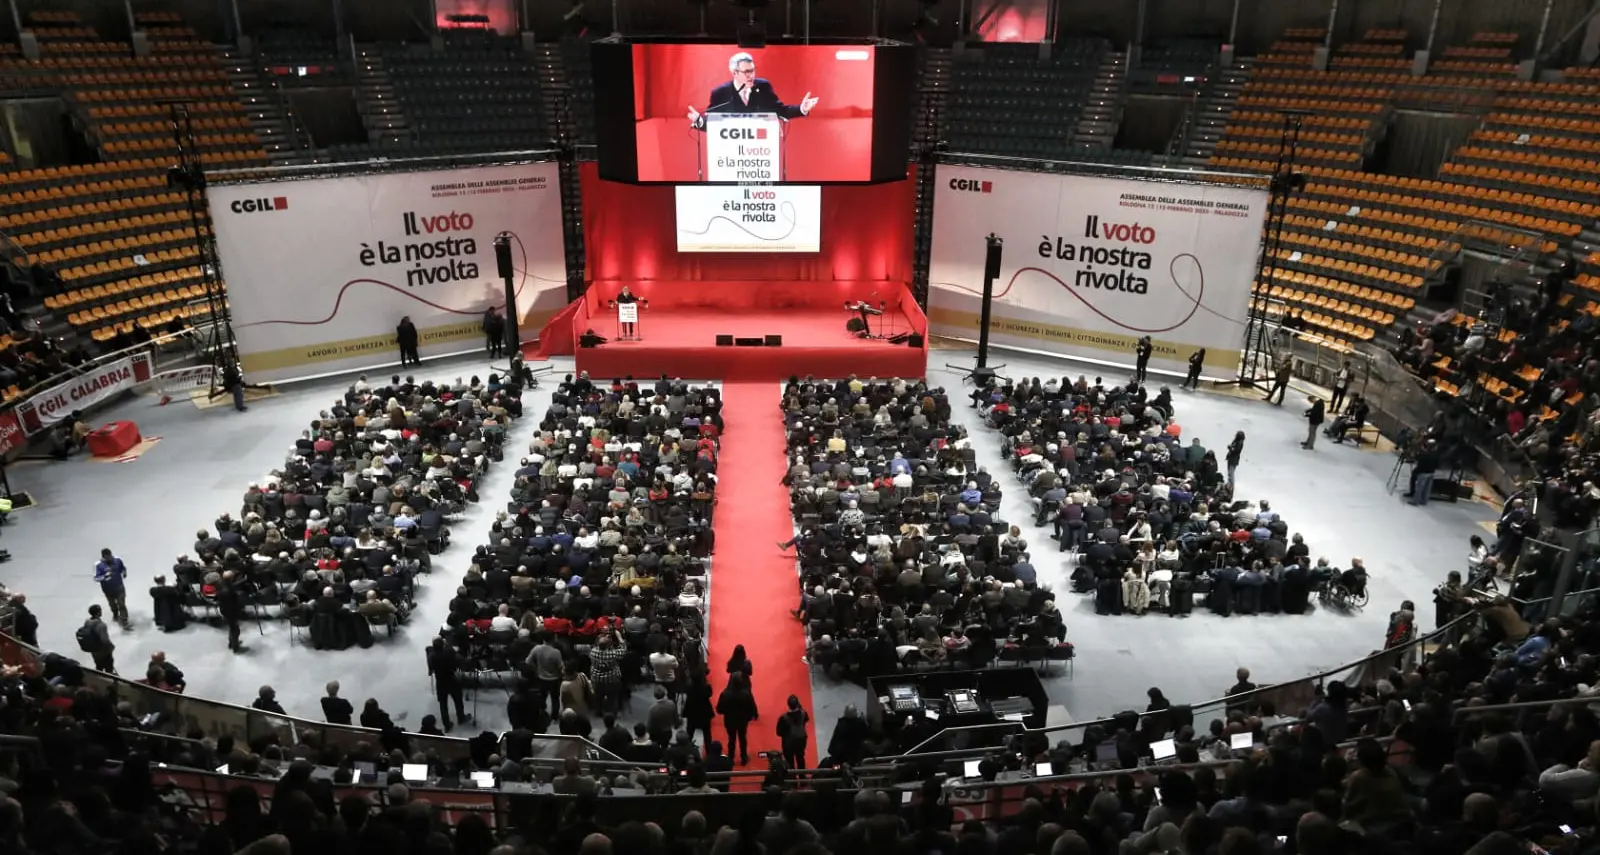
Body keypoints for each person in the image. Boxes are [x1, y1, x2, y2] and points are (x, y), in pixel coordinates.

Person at [687, 51, 818, 129]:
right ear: (734, 73)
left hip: (758, 154)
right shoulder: (721, 93)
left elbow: (780, 111)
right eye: (747, 72)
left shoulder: (763, 87)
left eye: (753, 70)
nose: (751, 75)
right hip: (729, 155)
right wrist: (699, 120)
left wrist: (802, 109)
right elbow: (712, 122)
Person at [427, 636, 469, 731]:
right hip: (451, 679)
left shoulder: (431, 656)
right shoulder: (449, 652)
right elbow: (458, 660)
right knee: (458, 699)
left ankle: (447, 724)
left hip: (440, 682)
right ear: (443, 645)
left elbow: (431, 668)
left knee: (443, 704)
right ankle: (461, 717)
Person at [716, 672, 758, 765]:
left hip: (729, 721)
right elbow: (750, 709)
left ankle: (731, 758)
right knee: (742, 738)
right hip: (742, 721)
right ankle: (744, 757)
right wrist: (748, 717)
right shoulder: (745, 694)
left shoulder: (725, 694)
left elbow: (719, 710)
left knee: (731, 739)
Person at [93, 548, 131, 629]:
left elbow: (123, 568)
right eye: (107, 557)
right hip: (108, 590)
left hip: (119, 587)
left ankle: (124, 620)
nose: (110, 558)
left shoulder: (117, 560)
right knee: (112, 604)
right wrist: (104, 576)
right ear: (104, 557)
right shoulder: (98, 565)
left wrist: (124, 573)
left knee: (121, 604)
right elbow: (96, 578)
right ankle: (115, 613)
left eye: (110, 556)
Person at [777, 694, 810, 771]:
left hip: (788, 743)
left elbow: (778, 733)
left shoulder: (783, 718)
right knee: (800, 758)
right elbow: (806, 720)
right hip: (801, 741)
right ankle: (802, 779)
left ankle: (792, 781)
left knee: (789, 761)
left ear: (788, 705)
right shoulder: (803, 713)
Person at [217, 569, 247, 654]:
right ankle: (235, 646)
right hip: (231, 611)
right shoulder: (230, 590)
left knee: (231, 627)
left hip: (224, 610)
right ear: (231, 578)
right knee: (235, 629)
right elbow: (235, 601)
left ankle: (231, 643)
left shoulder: (221, 585)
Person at [78, 604, 115, 673]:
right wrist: (111, 647)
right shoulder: (101, 625)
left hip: (94, 650)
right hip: (103, 651)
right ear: (98, 612)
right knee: (109, 666)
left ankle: (99, 675)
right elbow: (105, 640)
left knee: (99, 665)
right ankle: (109, 679)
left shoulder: (87, 622)